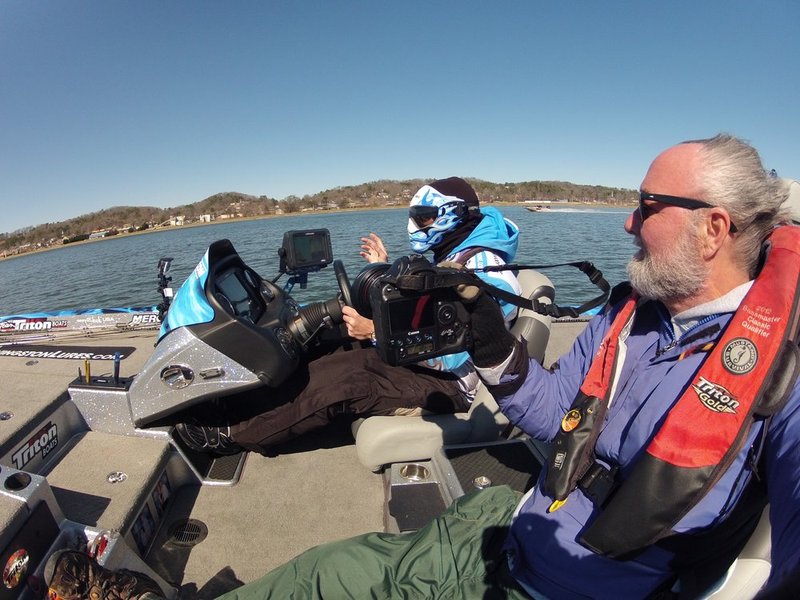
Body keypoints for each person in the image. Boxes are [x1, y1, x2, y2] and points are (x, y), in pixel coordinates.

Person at [211, 134, 800, 599]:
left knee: (320, 579)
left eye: (646, 206)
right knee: (320, 569)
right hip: (510, 525)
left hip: (551, 584)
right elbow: (550, 417)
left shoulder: (784, 374)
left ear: (713, 229)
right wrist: (490, 345)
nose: (627, 222)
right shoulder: (629, 315)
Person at [175, 177, 522, 455]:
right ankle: (240, 402)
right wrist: (381, 270)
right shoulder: (458, 254)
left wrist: (375, 331)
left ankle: (228, 433)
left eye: (424, 217)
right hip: (427, 362)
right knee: (335, 350)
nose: (415, 225)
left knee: (347, 382)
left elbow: (454, 350)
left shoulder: (490, 271)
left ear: (455, 213)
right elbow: (427, 306)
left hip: (456, 384)